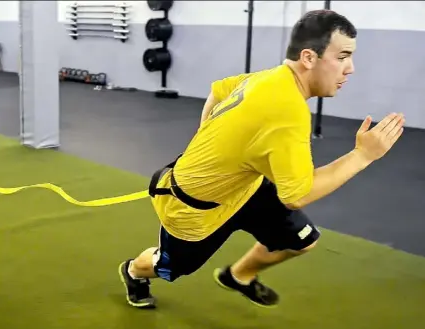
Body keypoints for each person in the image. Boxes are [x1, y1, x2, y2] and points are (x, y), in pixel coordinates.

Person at [118, 9, 405, 309]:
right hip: (196, 208)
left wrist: (211, 141)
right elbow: (298, 194)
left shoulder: (273, 77)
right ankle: (134, 272)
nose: (351, 68)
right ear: (309, 58)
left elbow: (218, 91)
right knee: (171, 267)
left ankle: (239, 276)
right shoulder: (288, 111)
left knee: (301, 240)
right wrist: (363, 155)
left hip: (246, 188)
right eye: (343, 56)